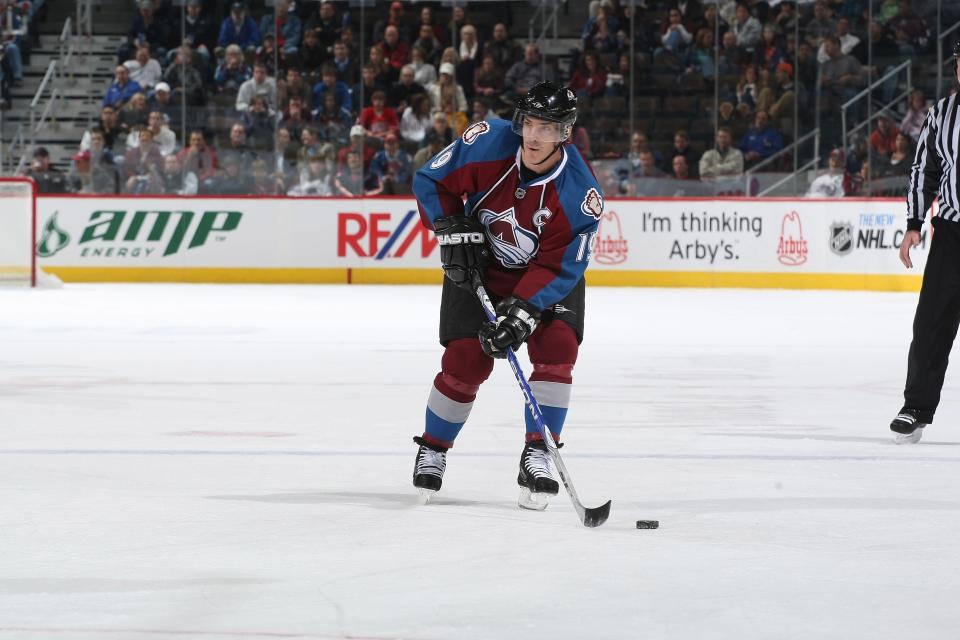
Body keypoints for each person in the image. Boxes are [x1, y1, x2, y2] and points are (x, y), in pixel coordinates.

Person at [409, 82, 604, 509]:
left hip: (544, 278)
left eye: (547, 128)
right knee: (465, 361)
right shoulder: (488, 143)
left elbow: (560, 266)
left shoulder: (580, 195)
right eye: (528, 124)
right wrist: (449, 224)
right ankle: (434, 448)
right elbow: (429, 180)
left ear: (566, 133)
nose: (533, 137)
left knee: (557, 348)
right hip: (481, 267)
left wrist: (523, 313)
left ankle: (538, 452)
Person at [892, 42, 960, 444]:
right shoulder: (942, 113)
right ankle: (915, 407)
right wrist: (915, 222)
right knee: (931, 323)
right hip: (952, 232)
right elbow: (924, 169)